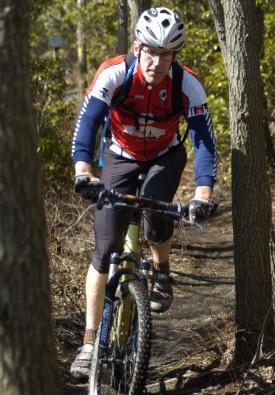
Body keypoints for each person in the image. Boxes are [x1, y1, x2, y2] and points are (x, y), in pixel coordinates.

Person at [70, 7, 217, 380]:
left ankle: (162, 271)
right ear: (137, 47)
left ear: (174, 56)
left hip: (164, 157)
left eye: (165, 54)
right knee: (105, 248)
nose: (156, 61)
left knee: (157, 217)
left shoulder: (187, 84)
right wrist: (84, 171)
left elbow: (203, 141)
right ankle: (89, 343)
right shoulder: (115, 72)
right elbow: (88, 123)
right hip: (120, 157)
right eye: (150, 52)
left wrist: (202, 193)